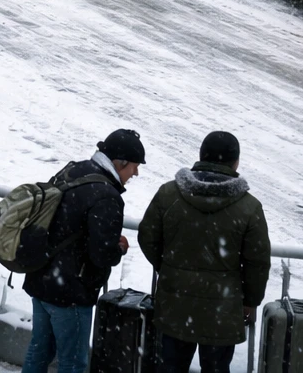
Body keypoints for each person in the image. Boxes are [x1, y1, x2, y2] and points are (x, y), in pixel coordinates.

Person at [138, 131, 272, 373]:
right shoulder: (249, 207)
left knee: (170, 367)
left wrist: (169, 268)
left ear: (201, 156)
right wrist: (251, 300)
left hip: (175, 303)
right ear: (235, 162)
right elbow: (257, 261)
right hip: (222, 309)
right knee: (216, 368)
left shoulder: (169, 194)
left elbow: (148, 237)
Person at [21, 129, 145, 373]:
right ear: (121, 163)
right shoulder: (107, 196)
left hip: (42, 276)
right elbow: (102, 255)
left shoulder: (73, 170)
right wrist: (119, 248)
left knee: (40, 350)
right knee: (73, 363)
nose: (136, 173)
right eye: (135, 166)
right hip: (71, 293)